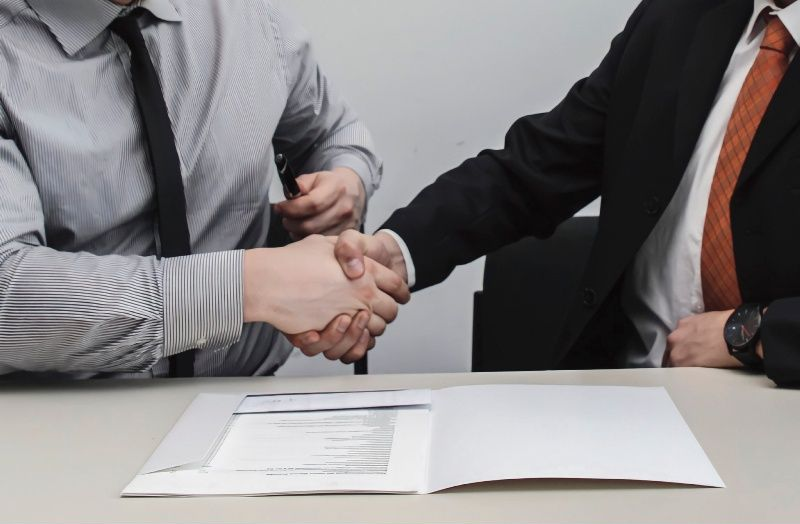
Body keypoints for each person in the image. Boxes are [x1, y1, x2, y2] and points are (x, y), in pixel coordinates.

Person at [293, 0, 800, 387]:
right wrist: (394, 253)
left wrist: (753, 332)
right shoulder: (680, 18)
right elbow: (535, 168)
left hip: (777, 405)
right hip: (629, 398)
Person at [0, 0, 409, 378]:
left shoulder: (245, 13)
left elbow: (333, 134)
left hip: (249, 399)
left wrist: (343, 185)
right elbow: (7, 290)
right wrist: (253, 285)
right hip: (56, 423)